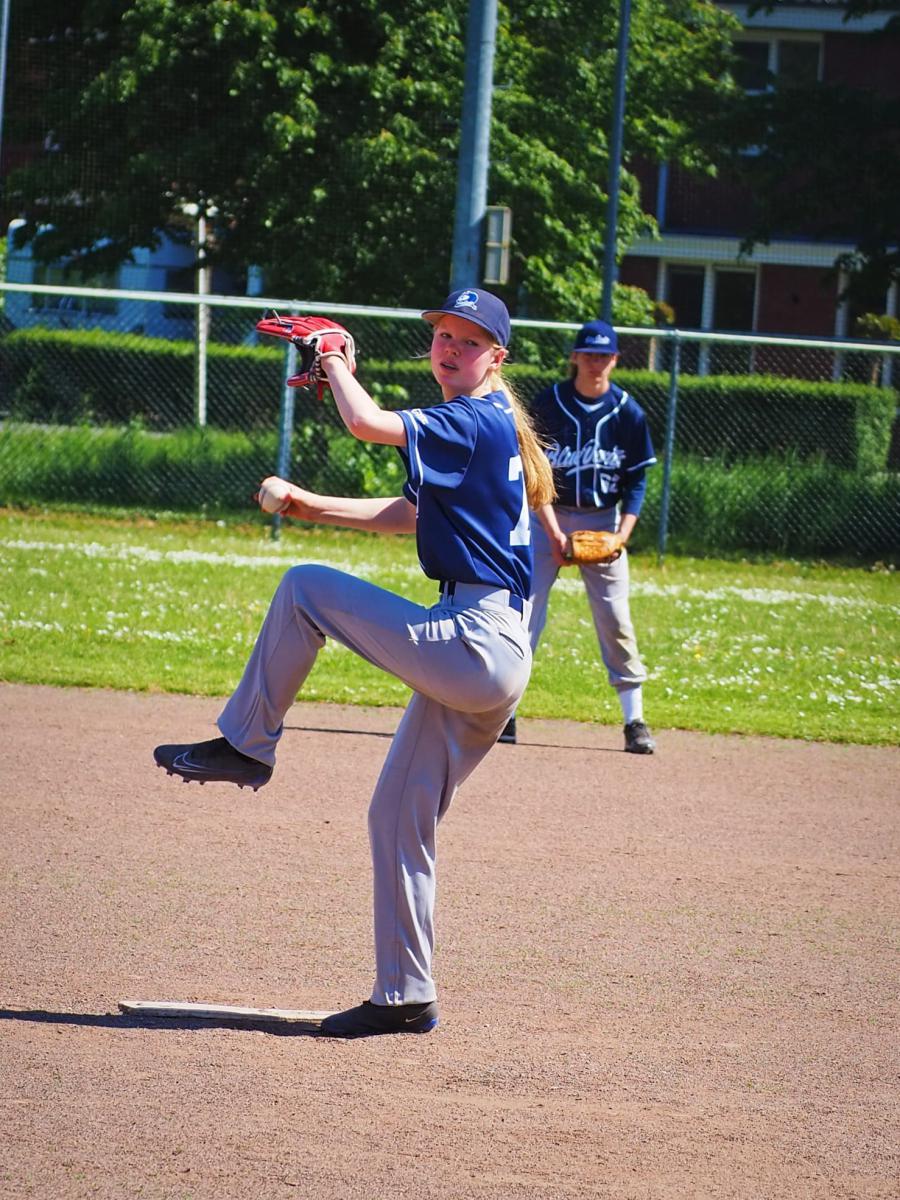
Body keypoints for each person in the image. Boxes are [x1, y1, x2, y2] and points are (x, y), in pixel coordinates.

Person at [153, 288, 555, 1038]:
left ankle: (246, 744)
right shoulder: (481, 423)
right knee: (397, 814)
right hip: (485, 644)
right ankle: (406, 995)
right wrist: (311, 504)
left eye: (469, 341)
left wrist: (333, 356)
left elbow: (367, 422)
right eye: (443, 333)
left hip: (474, 638)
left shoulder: (469, 417)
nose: (450, 347)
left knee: (304, 587)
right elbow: (411, 512)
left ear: (496, 358)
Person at [498, 318, 657, 755]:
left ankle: (634, 721)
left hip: (604, 522)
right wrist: (552, 532)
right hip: (545, 515)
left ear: (615, 359)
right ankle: (505, 712)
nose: (596, 362)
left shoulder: (628, 412)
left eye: (604, 355)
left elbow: (637, 481)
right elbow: (533, 471)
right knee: (523, 613)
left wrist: (621, 535)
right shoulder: (549, 403)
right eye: (588, 354)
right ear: (574, 357)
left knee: (617, 622)